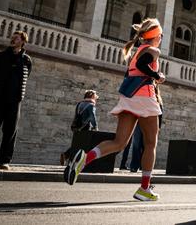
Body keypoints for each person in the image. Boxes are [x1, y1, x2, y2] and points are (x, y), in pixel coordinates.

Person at [63, 18, 166, 202]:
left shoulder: (137, 52)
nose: (161, 38)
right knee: (150, 144)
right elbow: (144, 66)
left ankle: (84, 160)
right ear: (156, 36)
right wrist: (156, 75)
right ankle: (144, 188)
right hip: (145, 98)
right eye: (161, 35)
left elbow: (132, 71)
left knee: (119, 142)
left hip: (128, 97)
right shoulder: (153, 50)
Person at [0, 31, 33, 170]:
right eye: (12, 37)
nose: (12, 40)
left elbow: (26, 77)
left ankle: (4, 160)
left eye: (16, 38)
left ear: (23, 41)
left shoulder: (26, 60)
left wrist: (17, 95)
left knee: (10, 131)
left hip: (15, 101)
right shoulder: (0, 56)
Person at [61, 90, 99, 165]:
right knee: (84, 145)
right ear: (92, 97)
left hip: (76, 126)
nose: (96, 99)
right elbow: (92, 117)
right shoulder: (91, 105)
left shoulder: (80, 104)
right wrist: (95, 127)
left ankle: (68, 157)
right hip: (85, 127)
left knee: (77, 144)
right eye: (95, 97)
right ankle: (75, 160)